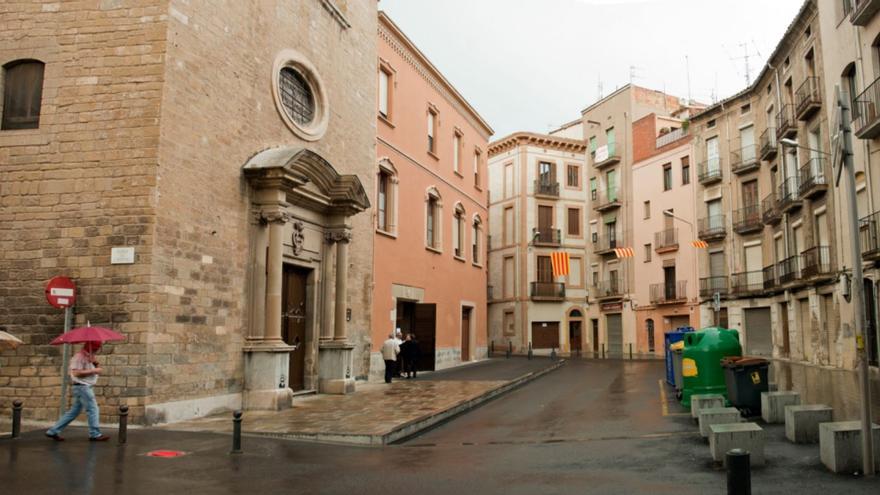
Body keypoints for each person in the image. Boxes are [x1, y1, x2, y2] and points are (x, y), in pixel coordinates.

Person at [45, 341, 110, 441]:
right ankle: (95, 434)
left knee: (74, 412)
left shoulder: (89, 357)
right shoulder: (79, 357)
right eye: (96, 347)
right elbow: (76, 373)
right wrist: (94, 370)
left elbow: (90, 370)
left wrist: (95, 364)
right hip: (82, 387)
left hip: (84, 387)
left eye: (98, 347)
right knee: (93, 409)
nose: (97, 349)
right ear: (89, 346)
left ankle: (53, 431)